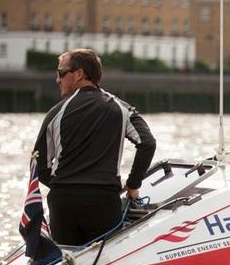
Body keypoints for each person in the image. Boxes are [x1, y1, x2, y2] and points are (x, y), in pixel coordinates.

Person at [33, 48, 156, 246]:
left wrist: (63, 186)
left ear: (79, 74)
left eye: (61, 73)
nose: (58, 79)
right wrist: (133, 185)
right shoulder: (120, 108)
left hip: (63, 202)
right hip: (103, 200)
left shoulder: (55, 113)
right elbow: (147, 143)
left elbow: (39, 164)